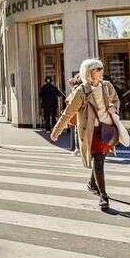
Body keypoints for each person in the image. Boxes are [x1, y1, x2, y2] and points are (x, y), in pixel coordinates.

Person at [51, 59, 121, 211]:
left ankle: (92, 183)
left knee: (100, 159)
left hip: (107, 128)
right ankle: (104, 197)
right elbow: (69, 111)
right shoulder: (81, 91)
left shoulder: (107, 86)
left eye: (102, 68)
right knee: (98, 160)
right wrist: (57, 130)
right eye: (98, 69)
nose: (102, 71)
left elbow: (116, 100)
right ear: (89, 72)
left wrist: (114, 108)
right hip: (91, 131)